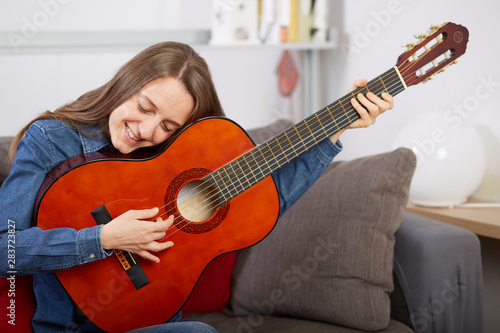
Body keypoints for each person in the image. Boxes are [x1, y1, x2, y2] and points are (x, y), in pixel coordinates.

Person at [0, 41, 393, 332]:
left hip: (153, 323)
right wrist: (102, 238)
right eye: (145, 107)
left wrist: (335, 128)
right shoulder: (51, 140)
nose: (148, 131)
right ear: (125, 84)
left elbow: (263, 206)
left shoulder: (178, 162)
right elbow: (5, 248)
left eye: (169, 126)